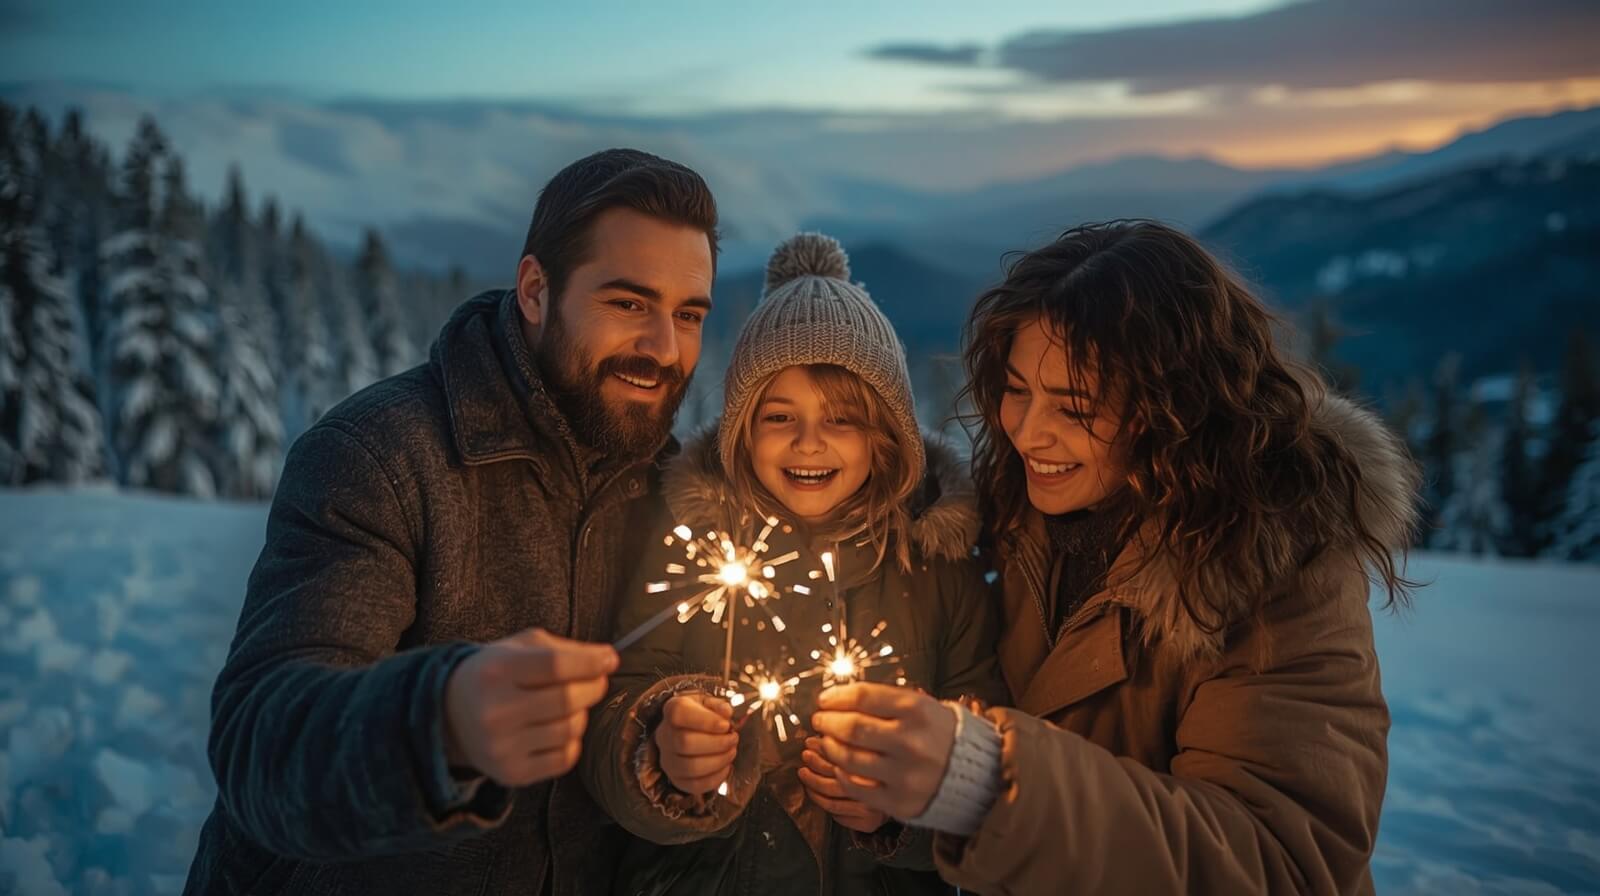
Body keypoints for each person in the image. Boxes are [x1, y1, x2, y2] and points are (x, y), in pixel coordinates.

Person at [809, 220, 1421, 894]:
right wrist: (908, 800)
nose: (1027, 432)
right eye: (1017, 390)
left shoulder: (1282, 569)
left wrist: (989, 782)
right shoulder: (1017, 521)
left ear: (1174, 408)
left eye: (1075, 406)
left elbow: (1281, 862)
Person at [183, 148, 720, 896]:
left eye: (688, 314)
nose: (663, 348)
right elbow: (260, 746)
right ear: (536, 291)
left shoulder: (676, 494)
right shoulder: (383, 456)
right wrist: (440, 727)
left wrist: (672, 750)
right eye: (628, 304)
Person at [581, 233, 1007, 895]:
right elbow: (622, 699)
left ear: (885, 433)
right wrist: (659, 751)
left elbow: (987, 767)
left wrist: (911, 811)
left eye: (841, 419)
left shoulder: (938, 567)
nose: (808, 442)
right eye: (780, 416)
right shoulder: (694, 548)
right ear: (742, 431)